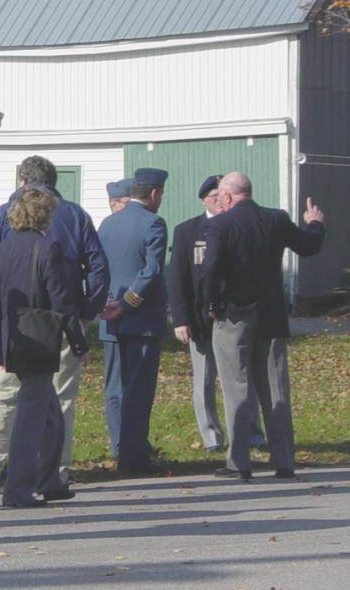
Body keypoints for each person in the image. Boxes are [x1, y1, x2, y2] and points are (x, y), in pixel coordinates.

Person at [0, 156, 109, 493]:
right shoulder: (75, 215)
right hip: (57, 319)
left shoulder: (2, 215)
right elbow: (99, 267)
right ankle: (54, 468)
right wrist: (86, 312)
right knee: (57, 398)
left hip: (12, 320)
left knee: (2, 392)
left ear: (21, 181)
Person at [203, 171, 325, 481]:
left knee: (237, 387)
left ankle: (239, 461)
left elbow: (212, 266)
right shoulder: (276, 218)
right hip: (271, 313)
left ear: (228, 197)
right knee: (275, 387)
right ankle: (283, 460)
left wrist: (212, 303)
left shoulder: (220, 224)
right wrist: (315, 222)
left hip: (234, 314)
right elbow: (309, 246)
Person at [0, 186, 88, 507]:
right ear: (43, 215)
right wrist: (79, 340)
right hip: (40, 339)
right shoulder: (48, 249)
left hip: (12, 337)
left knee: (50, 415)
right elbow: (61, 300)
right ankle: (17, 489)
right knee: (30, 416)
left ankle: (49, 480)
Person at [168, 175, 264, 452]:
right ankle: (211, 435)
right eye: (213, 197)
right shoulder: (188, 231)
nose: (219, 201)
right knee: (204, 379)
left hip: (232, 315)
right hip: (200, 319)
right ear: (204, 200)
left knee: (242, 378)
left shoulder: (237, 226)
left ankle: (250, 432)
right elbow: (178, 278)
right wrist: (181, 318)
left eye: (221, 195)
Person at [98, 167, 169, 475]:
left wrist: (107, 303)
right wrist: (126, 305)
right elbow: (151, 271)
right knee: (138, 389)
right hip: (139, 318)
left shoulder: (108, 223)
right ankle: (133, 456)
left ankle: (118, 445)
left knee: (114, 387)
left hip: (110, 315)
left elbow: (98, 267)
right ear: (153, 194)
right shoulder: (153, 223)